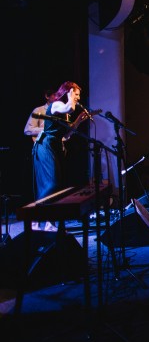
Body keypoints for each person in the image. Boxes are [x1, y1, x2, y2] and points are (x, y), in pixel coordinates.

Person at [32, 81, 90, 232]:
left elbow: (67, 134)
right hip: (45, 146)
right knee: (51, 183)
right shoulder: (57, 105)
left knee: (55, 183)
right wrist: (71, 99)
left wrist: (78, 121)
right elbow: (69, 107)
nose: (78, 98)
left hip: (55, 146)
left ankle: (46, 221)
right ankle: (38, 218)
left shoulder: (64, 111)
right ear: (68, 93)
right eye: (76, 94)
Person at [24, 89, 56, 231]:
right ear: (47, 96)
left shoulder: (58, 112)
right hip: (42, 149)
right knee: (46, 185)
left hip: (54, 150)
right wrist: (44, 130)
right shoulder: (38, 110)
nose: (57, 97)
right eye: (54, 95)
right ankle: (35, 219)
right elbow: (27, 130)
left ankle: (49, 221)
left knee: (53, 186)